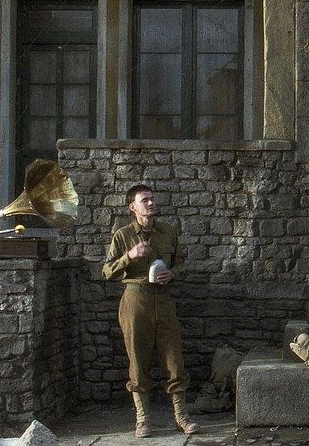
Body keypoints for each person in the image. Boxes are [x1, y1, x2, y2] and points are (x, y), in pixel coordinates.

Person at [102, 184, 200, 437]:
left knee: (174, 359)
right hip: (136, 300)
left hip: (163, 300)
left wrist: (173, 273)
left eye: (152, 199)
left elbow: (181, 262)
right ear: (132, 207)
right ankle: (143, 419)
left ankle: (181, 416)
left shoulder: (168, 232)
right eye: (144, 200)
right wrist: (129, 256)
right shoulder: (123, 236)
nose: (151, 203)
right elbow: (107, 272)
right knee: (138, 359)